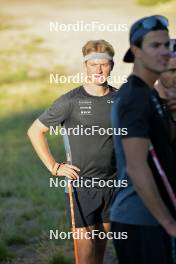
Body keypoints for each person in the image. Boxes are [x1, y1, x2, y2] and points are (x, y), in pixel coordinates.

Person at [27, 39, 118, 264]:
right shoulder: (70, 101)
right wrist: (55, 167)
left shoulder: (120, 99)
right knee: (85, 252)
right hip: (82, 185)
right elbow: (35, 131)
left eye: (104, 64)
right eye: (93, 64)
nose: (99, 70)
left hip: (113, 184)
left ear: (112, 66)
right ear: (85, 66)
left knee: (100, 249)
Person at [110, 15, 176, 264]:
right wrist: (169, 224)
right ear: (135, 51)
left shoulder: (149, 95)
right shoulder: (133, 99)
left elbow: (163, 148)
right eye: (155, 46)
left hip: (154, 217)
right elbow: (137, 167)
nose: (165, 52)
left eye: (166, 45)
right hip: (139, 221)